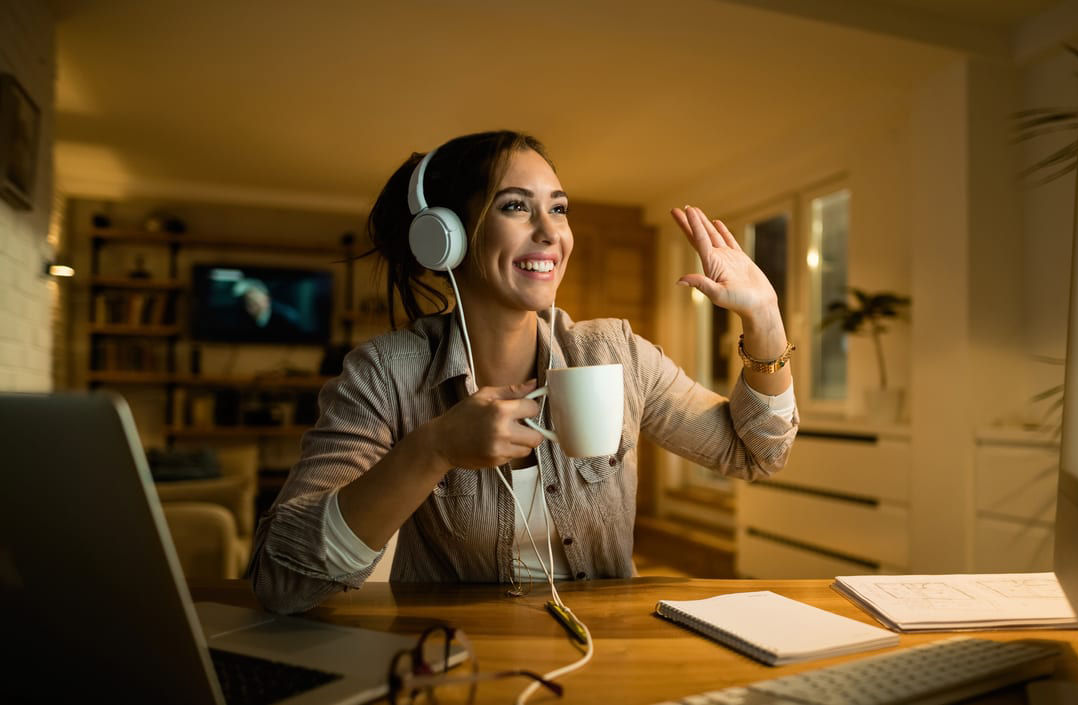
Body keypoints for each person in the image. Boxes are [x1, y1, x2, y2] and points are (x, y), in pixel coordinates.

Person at [248, 130, 799, 614]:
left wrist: (765, 316)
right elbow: (282, 582)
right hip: (453, 656)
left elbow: (757, 453)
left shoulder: (617, 352)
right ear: (447, 238)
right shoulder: (383, 376)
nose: (549, 232)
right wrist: (432, 450)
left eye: (558, 209)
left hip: (607, 657)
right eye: (515, 206)